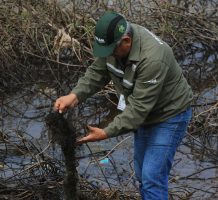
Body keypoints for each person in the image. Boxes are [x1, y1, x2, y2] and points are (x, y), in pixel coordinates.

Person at [54, 11, 193, 200]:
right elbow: (97, 73)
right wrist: (74, 96)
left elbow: (138, 110)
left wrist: (105, 133)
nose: (107, 54)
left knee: (152, 176)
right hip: (143, 115)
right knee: (142, 175)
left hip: (169, 116)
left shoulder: (153, 58)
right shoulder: (113, 44)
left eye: (111, 50)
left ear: (126, 41)